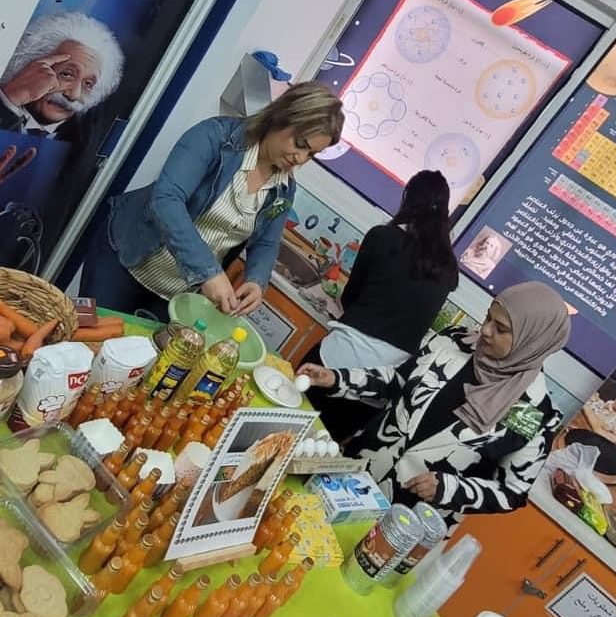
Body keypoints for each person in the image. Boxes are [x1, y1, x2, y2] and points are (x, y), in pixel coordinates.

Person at [298, 282, 570, 534]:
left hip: (406, 522)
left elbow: (512, 491)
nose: (486, 330)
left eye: (500, 329)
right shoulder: (454, 342)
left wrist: (449, 489)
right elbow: (397, 380)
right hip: (353, 475)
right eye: (488, 317)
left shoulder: (533, 412)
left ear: (532, 341)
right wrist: (337, 378)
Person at [79, 82, 344, 319]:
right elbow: (166, 200)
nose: (300, 158)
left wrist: (256, 280)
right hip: (125, 258)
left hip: (175, 292)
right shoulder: (214, 137)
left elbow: (267, 242)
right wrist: (207, 271)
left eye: (311, 154)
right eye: (300, 144)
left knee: (138, 353)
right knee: (82, 333)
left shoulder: (284, 189)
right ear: (280, 117)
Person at [304, 170, 458, 440]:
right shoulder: (448, 270)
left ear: (408, 199)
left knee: (276, 423)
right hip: (376, 386)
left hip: (336, 358)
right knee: (318, 451)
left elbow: (349, 298)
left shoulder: (382, 237)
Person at [0, 12, 124, 139]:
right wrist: (8, 100)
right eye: (66, 74)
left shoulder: (83, 140)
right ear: (29, 66)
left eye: (88, 84)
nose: (74, 95)